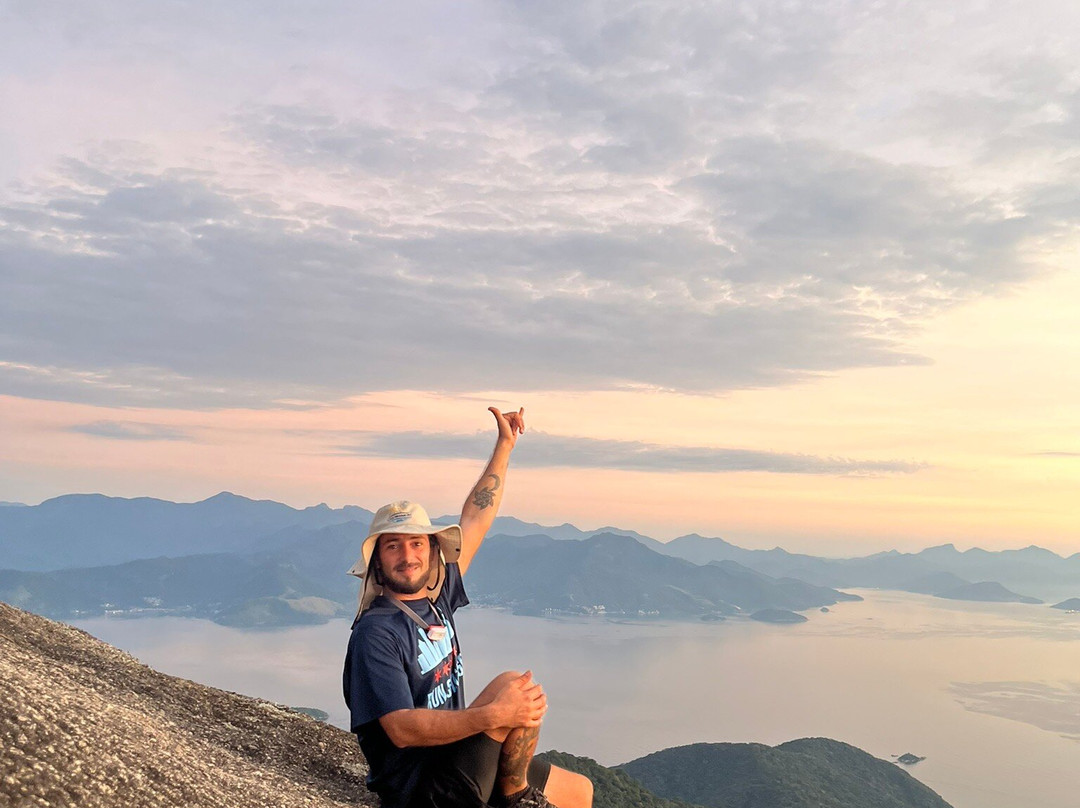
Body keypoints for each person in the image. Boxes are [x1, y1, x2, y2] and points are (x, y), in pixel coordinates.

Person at [343, 407, 593, 808]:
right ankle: (514, 800)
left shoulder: (436, 596)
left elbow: (477, 516)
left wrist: (505, 446)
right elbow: (402, 729)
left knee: (579, 790)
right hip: (421, 788)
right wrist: (494, 716)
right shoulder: (377, 633)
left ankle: (515, 796)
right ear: (378, 561)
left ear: (431, 551)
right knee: (510, 697)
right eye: (393, 546)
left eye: (416, 543)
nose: (407, 555)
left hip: (454, 753)